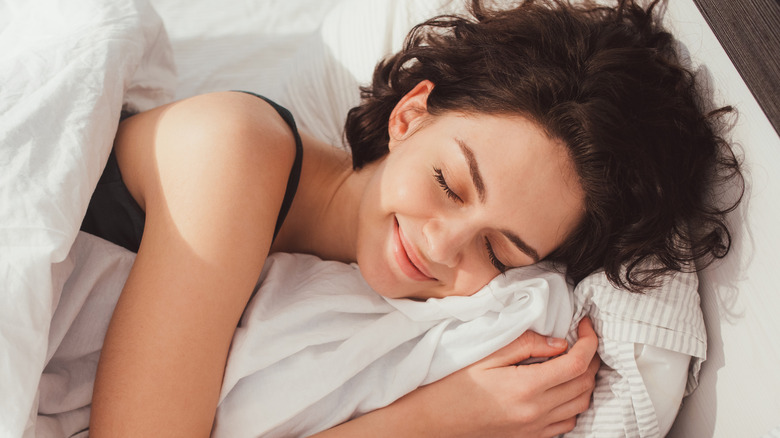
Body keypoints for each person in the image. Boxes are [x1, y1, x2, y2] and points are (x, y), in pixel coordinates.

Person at [82, 0, 742, 436]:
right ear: (409, 115)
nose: (442, 245)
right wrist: (435, 418)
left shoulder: (358, 303)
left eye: (500, 251)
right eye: (449, 184)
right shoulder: (236, 149)